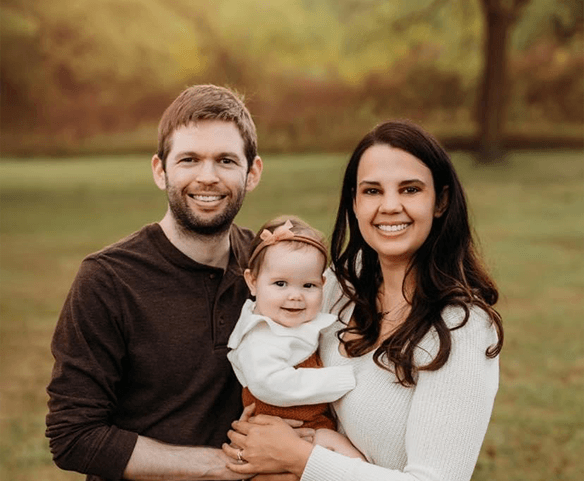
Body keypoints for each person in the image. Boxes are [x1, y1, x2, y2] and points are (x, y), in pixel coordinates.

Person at [222, 120, 504, 481]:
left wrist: (299, 458)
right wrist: (261, 425)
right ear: (354, 202)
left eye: (410, 189)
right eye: (372, 191)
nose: (389, 206)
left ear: (441, 201)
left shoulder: (461, 328)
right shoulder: (338, 288)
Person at [46, 84, 265, 481]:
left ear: (252, 173)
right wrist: (219, 466)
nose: (208, 177)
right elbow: (74, 436)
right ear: (160, 170)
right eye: (189, 160)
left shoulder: (271, 269)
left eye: (226, 161)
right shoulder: (107, 280)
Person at [227, 216, 360, 445]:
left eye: (308, 286)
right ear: (252, 282)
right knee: (342, 448)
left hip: (306, 426)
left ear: (322, 285)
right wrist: (343, 379)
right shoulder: (261, 335)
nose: (295, 295)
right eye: (280, 284)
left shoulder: (294, 323)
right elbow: (270, 383)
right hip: (285, 430)